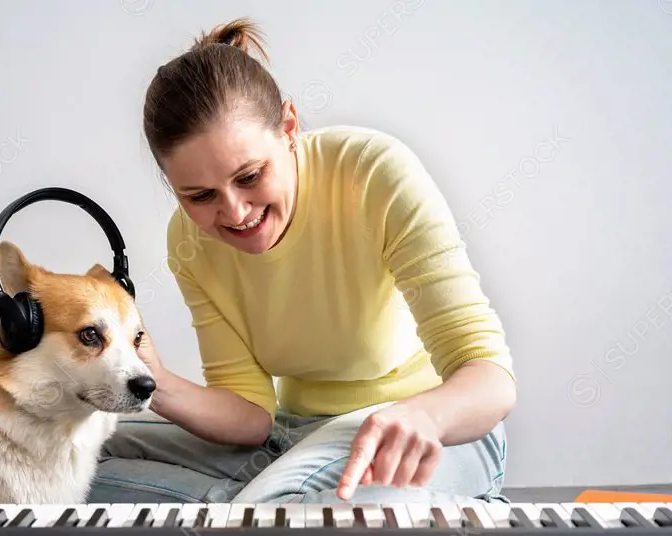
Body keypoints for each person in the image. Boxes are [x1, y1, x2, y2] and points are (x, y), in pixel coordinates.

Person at [88, 17, 517, 507]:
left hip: (429, 431)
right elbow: (250, 417)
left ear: (289, 127)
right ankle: (259, 510)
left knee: (280, 508)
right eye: (201, 195)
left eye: (250, 176)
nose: (234, 212)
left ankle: (264, 510)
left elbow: (490, 379)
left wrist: (426, 415)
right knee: (74, 453)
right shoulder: (189, 240)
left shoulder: (374, 173)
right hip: (293, 439)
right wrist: (153, 382)